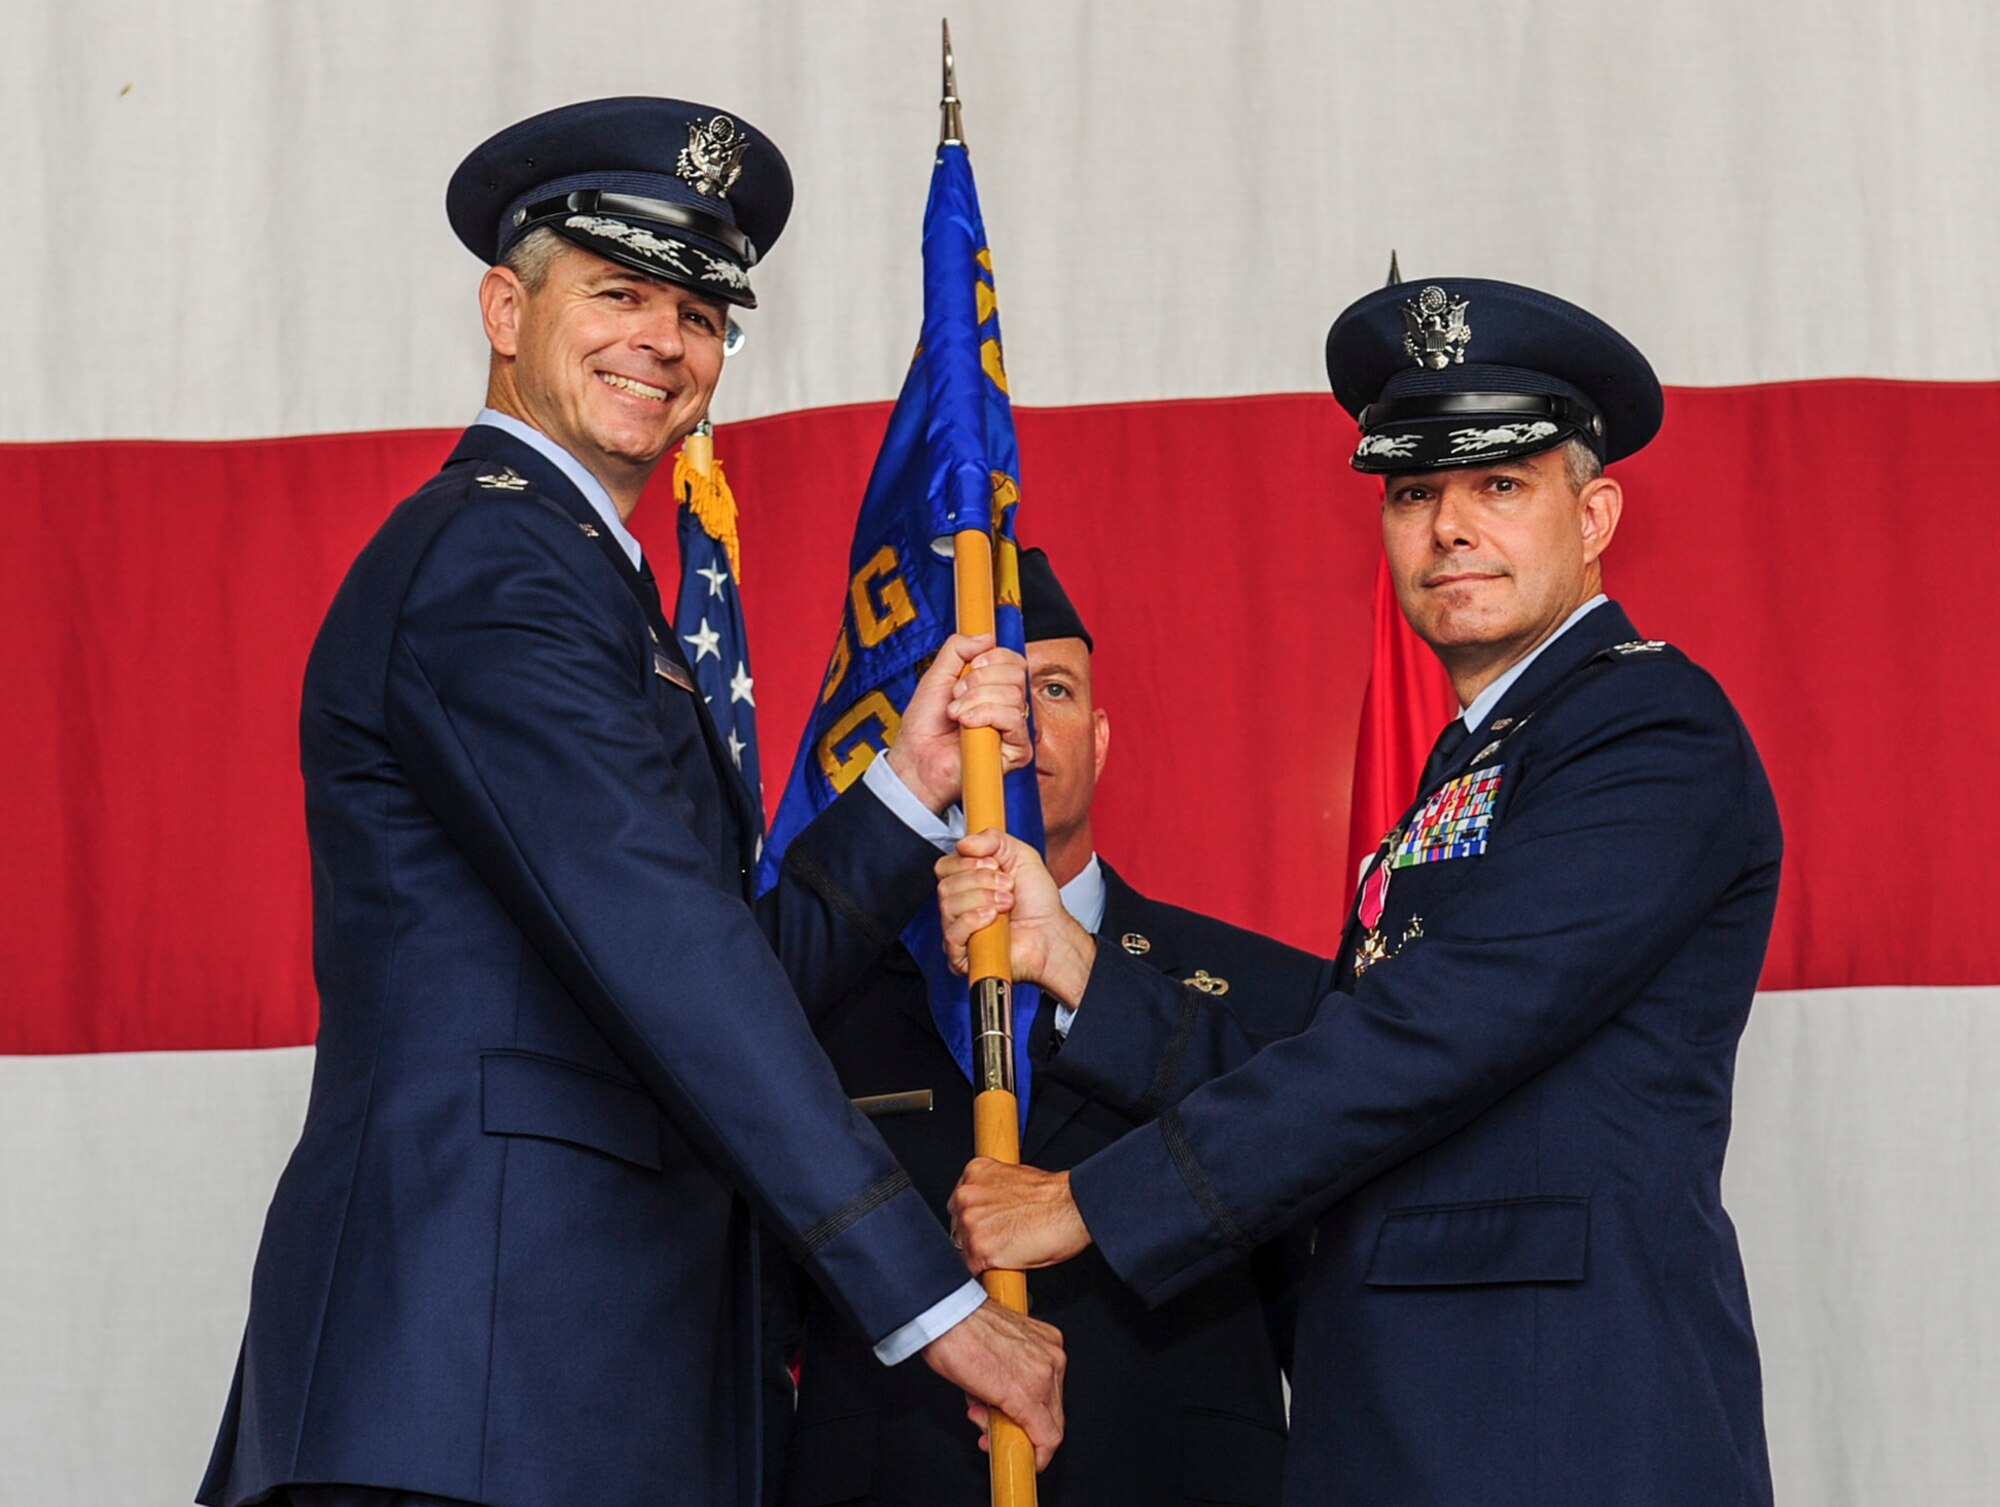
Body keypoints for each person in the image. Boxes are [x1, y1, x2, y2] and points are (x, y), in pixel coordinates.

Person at [197, 98, 1064, 1507]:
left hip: (571, 1393)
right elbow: (673, 959)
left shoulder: (580, 579)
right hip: (472, 1395)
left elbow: (719, 964)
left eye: (701, 313)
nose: (663, 340)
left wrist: (901, 791)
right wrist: (937, 1303)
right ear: (503, 305)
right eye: (617, 292)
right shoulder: (496, 564)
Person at [939, 279, 1783, 1506]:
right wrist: (1070, 955)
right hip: (1419, 1414)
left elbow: (1434, 1035)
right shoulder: (1484, 750)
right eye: (1411, 492)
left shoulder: (1647, 729)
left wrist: (1086, 1202)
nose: (1447, 527)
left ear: (1593, 513)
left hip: (1557, 1420)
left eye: (1498, 485)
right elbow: (1350, 1046)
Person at [771, 548, 1333, 1506]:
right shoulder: (818, 998)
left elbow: (1321, 1304)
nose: (1014, 721)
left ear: (1103, 739)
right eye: (983, 692)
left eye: (1053, 688)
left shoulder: (1270, 996)